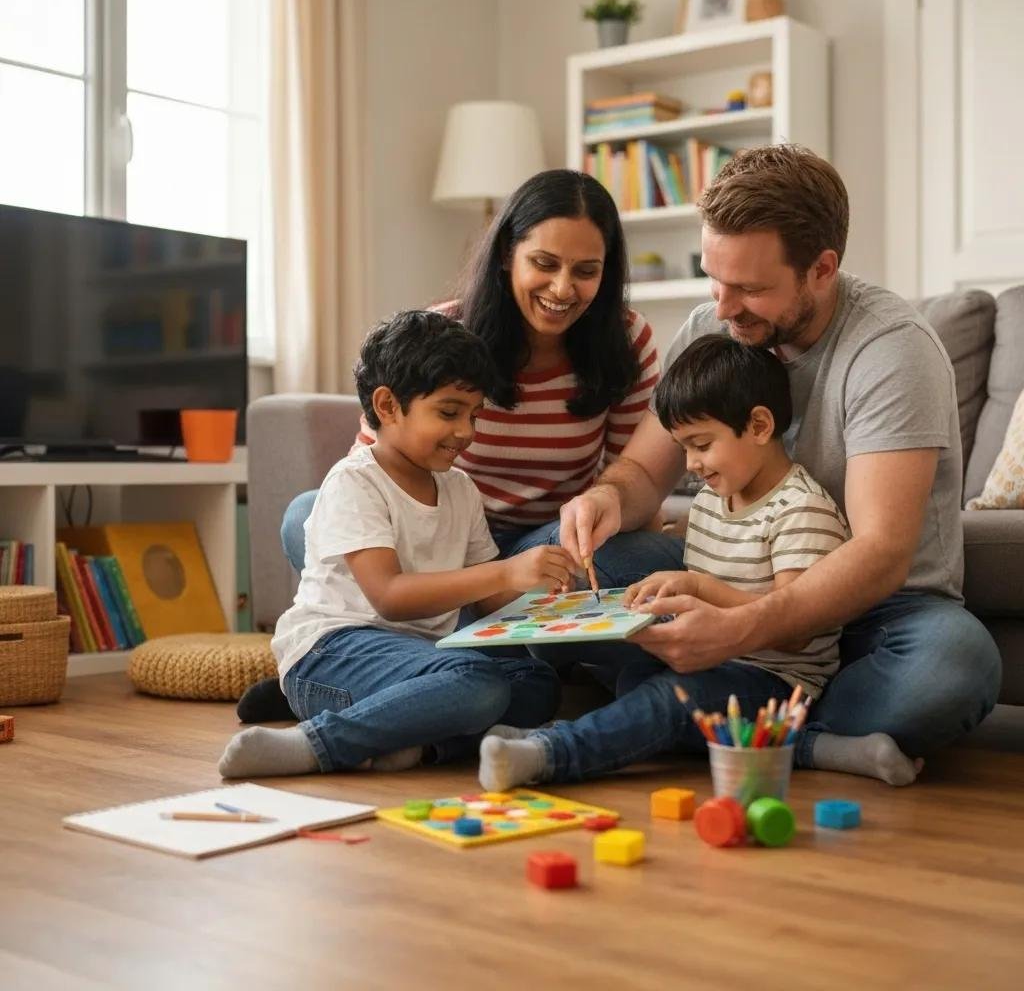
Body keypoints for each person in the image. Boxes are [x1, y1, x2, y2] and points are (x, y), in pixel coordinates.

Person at [557, 144, 1002, 785]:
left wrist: (738, 632)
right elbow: (643, 473)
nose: (724, 305)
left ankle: (731, 716)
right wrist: (605, 498)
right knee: (564, 555)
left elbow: (881, 552)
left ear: (822, 269)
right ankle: (800, 730)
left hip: (878, 613)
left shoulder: (891, 350)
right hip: (727, 575)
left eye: (750, 288)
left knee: (954, 667)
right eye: (715, 277)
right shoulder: (710, 327)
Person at [238, 168, 683, 721]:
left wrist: (607, 508)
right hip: (431, 551)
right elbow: (372, 466)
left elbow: (632, 476)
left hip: (546, 546)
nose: (563, 289)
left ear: (607, 273)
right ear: (506, 256)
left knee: (661, 558)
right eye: (544, 264)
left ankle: (434, 656)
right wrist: (488, 578)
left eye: (586, 271)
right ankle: (408, 657)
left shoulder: (626, 340)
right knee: (307, 515)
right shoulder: (444, 335)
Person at [479, 333, 856, 791]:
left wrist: (695, 587)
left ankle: (550, 753)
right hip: (718, 664)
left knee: (670, 700)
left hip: (777, 682)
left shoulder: (801, 510)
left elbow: (795, 632)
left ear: (759, 426)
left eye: (702, 444)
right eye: (683, 448)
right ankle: (810, 749)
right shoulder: (712, 502)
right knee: (637, 679)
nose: (691, 464)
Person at [218, 311, 573, 779]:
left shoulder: (460, 489)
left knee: (536, 683)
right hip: (334, 649)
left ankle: (417, 747)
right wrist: (508, 571)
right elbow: (389, 597)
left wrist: (546, 587)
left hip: (419, 660)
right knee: (476, 685)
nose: (466, 431)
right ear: (387, 406)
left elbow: (488, 598)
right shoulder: (356, 482)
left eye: (474, 415)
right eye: (449, 413)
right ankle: (316, 743)